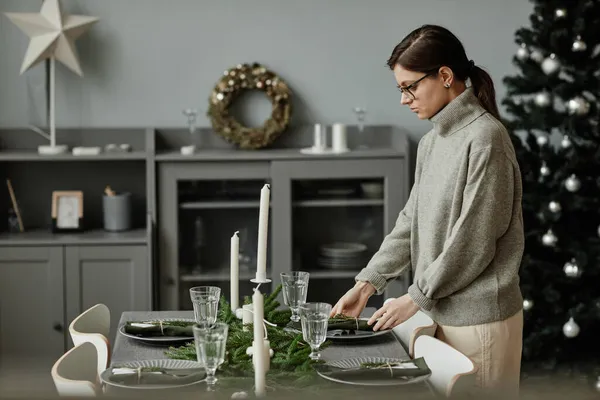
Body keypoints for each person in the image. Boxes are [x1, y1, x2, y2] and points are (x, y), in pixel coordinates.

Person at [331, 24, 524, 396]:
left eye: (410, 87)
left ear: (446, 76)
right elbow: (410, 223)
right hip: (441, 314)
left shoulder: (486, 139)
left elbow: (474, 240)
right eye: (400, 89)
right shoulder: (432, 141)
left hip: (480, 322)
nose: (404, 99)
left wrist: (416, 296)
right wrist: (368, 282)